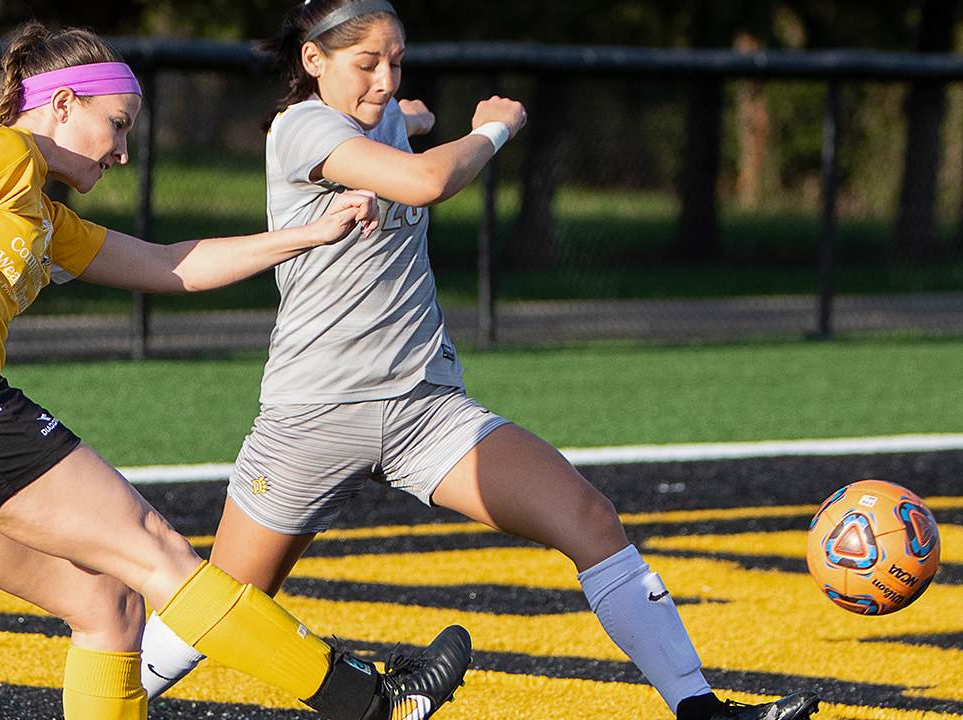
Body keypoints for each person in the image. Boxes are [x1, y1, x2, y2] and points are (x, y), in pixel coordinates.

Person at [136, 3, 823, 720]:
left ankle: (702, 709)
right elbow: (428, 182)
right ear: (313, 61)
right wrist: (494, 125)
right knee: (222, 601)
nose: (383, 77)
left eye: (395, 61)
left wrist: (411, 113)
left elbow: (404, 123)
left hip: (424, 407)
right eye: (366, 62)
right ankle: (100, 705)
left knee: (589, 518)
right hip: (314, 414)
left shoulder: (380, 115)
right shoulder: (304, 125)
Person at [0, 22, 473, 720]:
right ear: (62, 105)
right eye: (116, 124)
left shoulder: (42, 216)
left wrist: (309, 234)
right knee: (157, 550)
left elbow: (170, 267)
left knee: (106, 607)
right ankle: (374, 704)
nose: (123, 150)